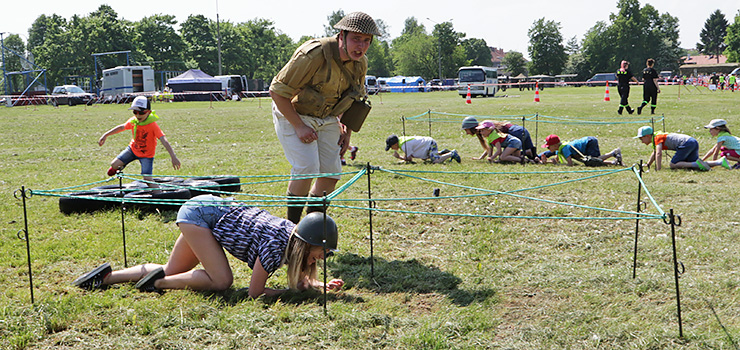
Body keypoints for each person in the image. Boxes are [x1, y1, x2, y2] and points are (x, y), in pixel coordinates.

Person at [72, 195, 344, 298]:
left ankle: (107, 278)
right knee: (221, 281)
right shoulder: (276, 247)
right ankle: (155, 285)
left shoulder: (292, 237)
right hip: (201, 216)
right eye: (323, 252)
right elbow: (254, 292)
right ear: (306, 245)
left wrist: (319, 285)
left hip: (205, 211)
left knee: (172, 270)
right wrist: (286, 292)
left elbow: (300, 274)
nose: (324, 257)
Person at [269, 12, 380, 224]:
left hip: (326, 117)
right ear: (341, 35)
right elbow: (277, 92)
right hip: (293, 112)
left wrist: (347, 134)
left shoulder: (360, 63)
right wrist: (299, 126)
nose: (362, 46)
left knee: (331, 174)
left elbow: (355, 100)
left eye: (367, 41)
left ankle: (311, 230)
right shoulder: (314, 54)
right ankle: (291, 230)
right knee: (306, 168)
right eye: (356, 38)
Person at [98, 96, 181, 188]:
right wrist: (106, 135)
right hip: (132, 150)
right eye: (135, 112)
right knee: (114, 164)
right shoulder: (134, 121)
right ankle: (119, 166)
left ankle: (158, 194)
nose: (138, 115)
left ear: (149, 112)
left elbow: (163, 140)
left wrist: (173, 157)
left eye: (141, 113)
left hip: (146, 155)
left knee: (147, 179)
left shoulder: (152, 125)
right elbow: (122, 127)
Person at [634, 126, 728, 171]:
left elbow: (658, 153)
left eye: (642, 139)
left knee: (673, 164)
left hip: (685, 144)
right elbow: (655, 153)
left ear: (647, 136)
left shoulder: (657, 138)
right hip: (692, 141)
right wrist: (648, 164)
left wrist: (658, 169)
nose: (642, 141)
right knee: (692, 165)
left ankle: (697, 164)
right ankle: (719, 162)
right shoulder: (657, 136)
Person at [540, 134, 622, 166]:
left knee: (593, 160)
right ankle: (613, 162)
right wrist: (546, 162)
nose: (547, 148)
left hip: (589, 142)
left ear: (554, 145)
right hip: (588, 141)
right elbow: (556, 160)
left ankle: (614, 153)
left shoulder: (564, 149)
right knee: (590, 162)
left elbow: (570, 163)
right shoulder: (559, 149)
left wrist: (559, 165)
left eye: (548, 146)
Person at [385, 134, 460, 164]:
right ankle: (442, 152)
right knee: (426, 159)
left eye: (391, 147)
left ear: (395, 144)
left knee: (436, 161)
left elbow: (409, 159)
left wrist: (399, 157)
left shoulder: (404, 145)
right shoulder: (402, 141)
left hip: (430, 144)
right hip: (428, 143)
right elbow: (408, 155)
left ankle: (451, 154)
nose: (392, 149)